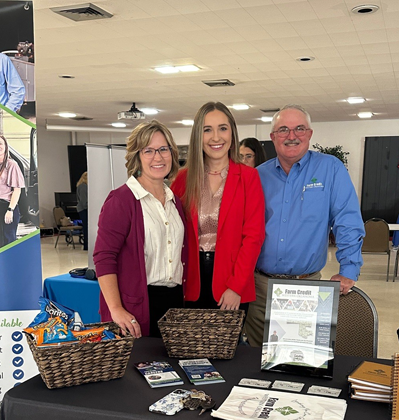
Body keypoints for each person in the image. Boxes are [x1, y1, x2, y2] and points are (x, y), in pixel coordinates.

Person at [244, 104, 365, 347]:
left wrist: (348, 269)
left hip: (306, 287)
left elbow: (347, 221)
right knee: (255, 362)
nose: (291, 136)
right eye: (283, 130)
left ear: (309, 134)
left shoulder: (330, 169)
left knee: (301, 362)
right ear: (273, 137)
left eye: (299, 128)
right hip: (260, 289)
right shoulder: (257, 176)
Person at [93, 121, 187, 338]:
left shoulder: (175, 202)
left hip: (174, 304)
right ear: (137, 157)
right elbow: (104, 258)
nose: (158, 157)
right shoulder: (121, 200)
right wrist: (116, 309)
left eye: (164, 149)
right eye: (149, 151)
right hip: (136, 306)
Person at [171, 102, 265, 312]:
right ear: (198, 136)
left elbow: (254, 237)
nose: (216, 137)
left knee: (226, 345)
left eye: (222, 128)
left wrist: (236, 287)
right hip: (189, 282)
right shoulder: (183, 179)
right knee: (189, 345)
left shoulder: (249, 177)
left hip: (232, 283)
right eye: (207, 130)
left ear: (232, 133)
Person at [0, 134, 25, 249]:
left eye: (0, 143)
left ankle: (12, 265)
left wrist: (10, 209)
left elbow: (17, 190)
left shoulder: (11, 164)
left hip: (7, 206)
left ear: (5, 146)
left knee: (9, 240)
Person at [76, 172, 88, 251]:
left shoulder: (82, 186)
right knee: (86, 227)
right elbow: (84, 201)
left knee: (86, 227)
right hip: (84, 209)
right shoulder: (83, 186)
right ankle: (86, 245)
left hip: (84, 209)